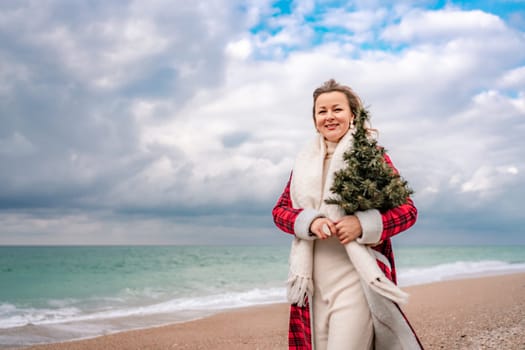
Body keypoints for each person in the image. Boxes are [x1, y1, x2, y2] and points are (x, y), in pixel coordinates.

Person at [272, 79, 422, 350]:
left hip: (357, 277)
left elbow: (407, 211)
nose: (329, 116)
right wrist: (310, 221)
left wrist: (362, 224)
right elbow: (280, 212)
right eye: (322, 111)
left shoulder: (369, 156)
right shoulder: (303, 163)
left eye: (337, 109)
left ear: (352, 115)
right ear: (315, 118)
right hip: (312, 284)